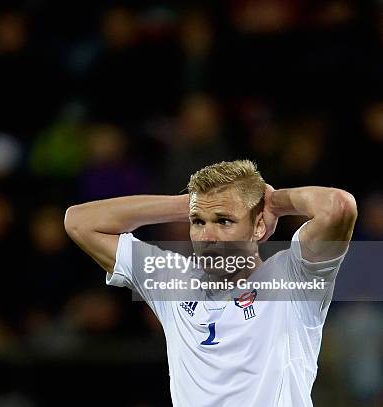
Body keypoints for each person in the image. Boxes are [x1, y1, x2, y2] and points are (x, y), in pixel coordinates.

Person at [64, 159, 357, 406]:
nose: (207, 237)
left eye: (224, 221)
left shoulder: (293, 278)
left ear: (257, 226)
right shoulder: (171, 279)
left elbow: (338, 207)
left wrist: (273, 202)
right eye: (198, 222)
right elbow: (78, 221)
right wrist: (188, 204)